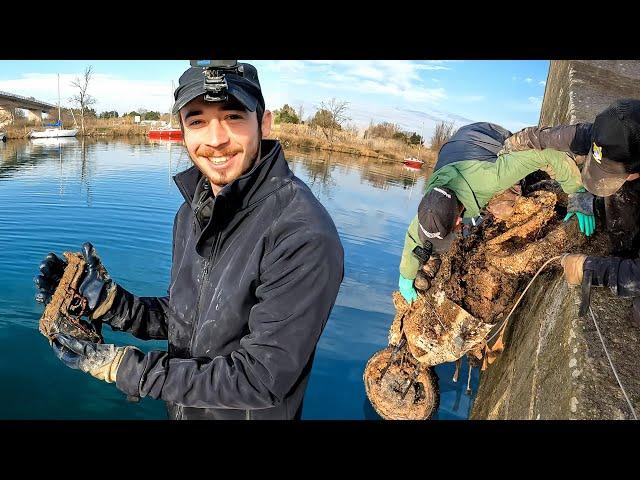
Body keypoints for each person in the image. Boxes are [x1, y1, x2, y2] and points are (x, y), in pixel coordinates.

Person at [34, 61, 345, 420]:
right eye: (197, 120)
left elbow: (261, 377)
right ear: (182, 130)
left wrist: (123, 366)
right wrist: (111, 304)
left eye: (233, 116)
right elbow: (192, 316)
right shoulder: (192, 213)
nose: (215, 139)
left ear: (265, 123)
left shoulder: (303, 233)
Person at [398, 121, 586, 304]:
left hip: (489, 137)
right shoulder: (434, 202)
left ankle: (527, 178)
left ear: (457, 220)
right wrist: (406, 276)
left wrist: (577, 194)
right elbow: (414, 236)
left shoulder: (491, 179)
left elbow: (546, 154)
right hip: (456, 147)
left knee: (503, 208)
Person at [501, 98, 640, 255]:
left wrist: (592, 269)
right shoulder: (597, 135)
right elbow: (541, 137)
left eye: (611, 173)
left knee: (625, 235)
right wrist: (505, 154)